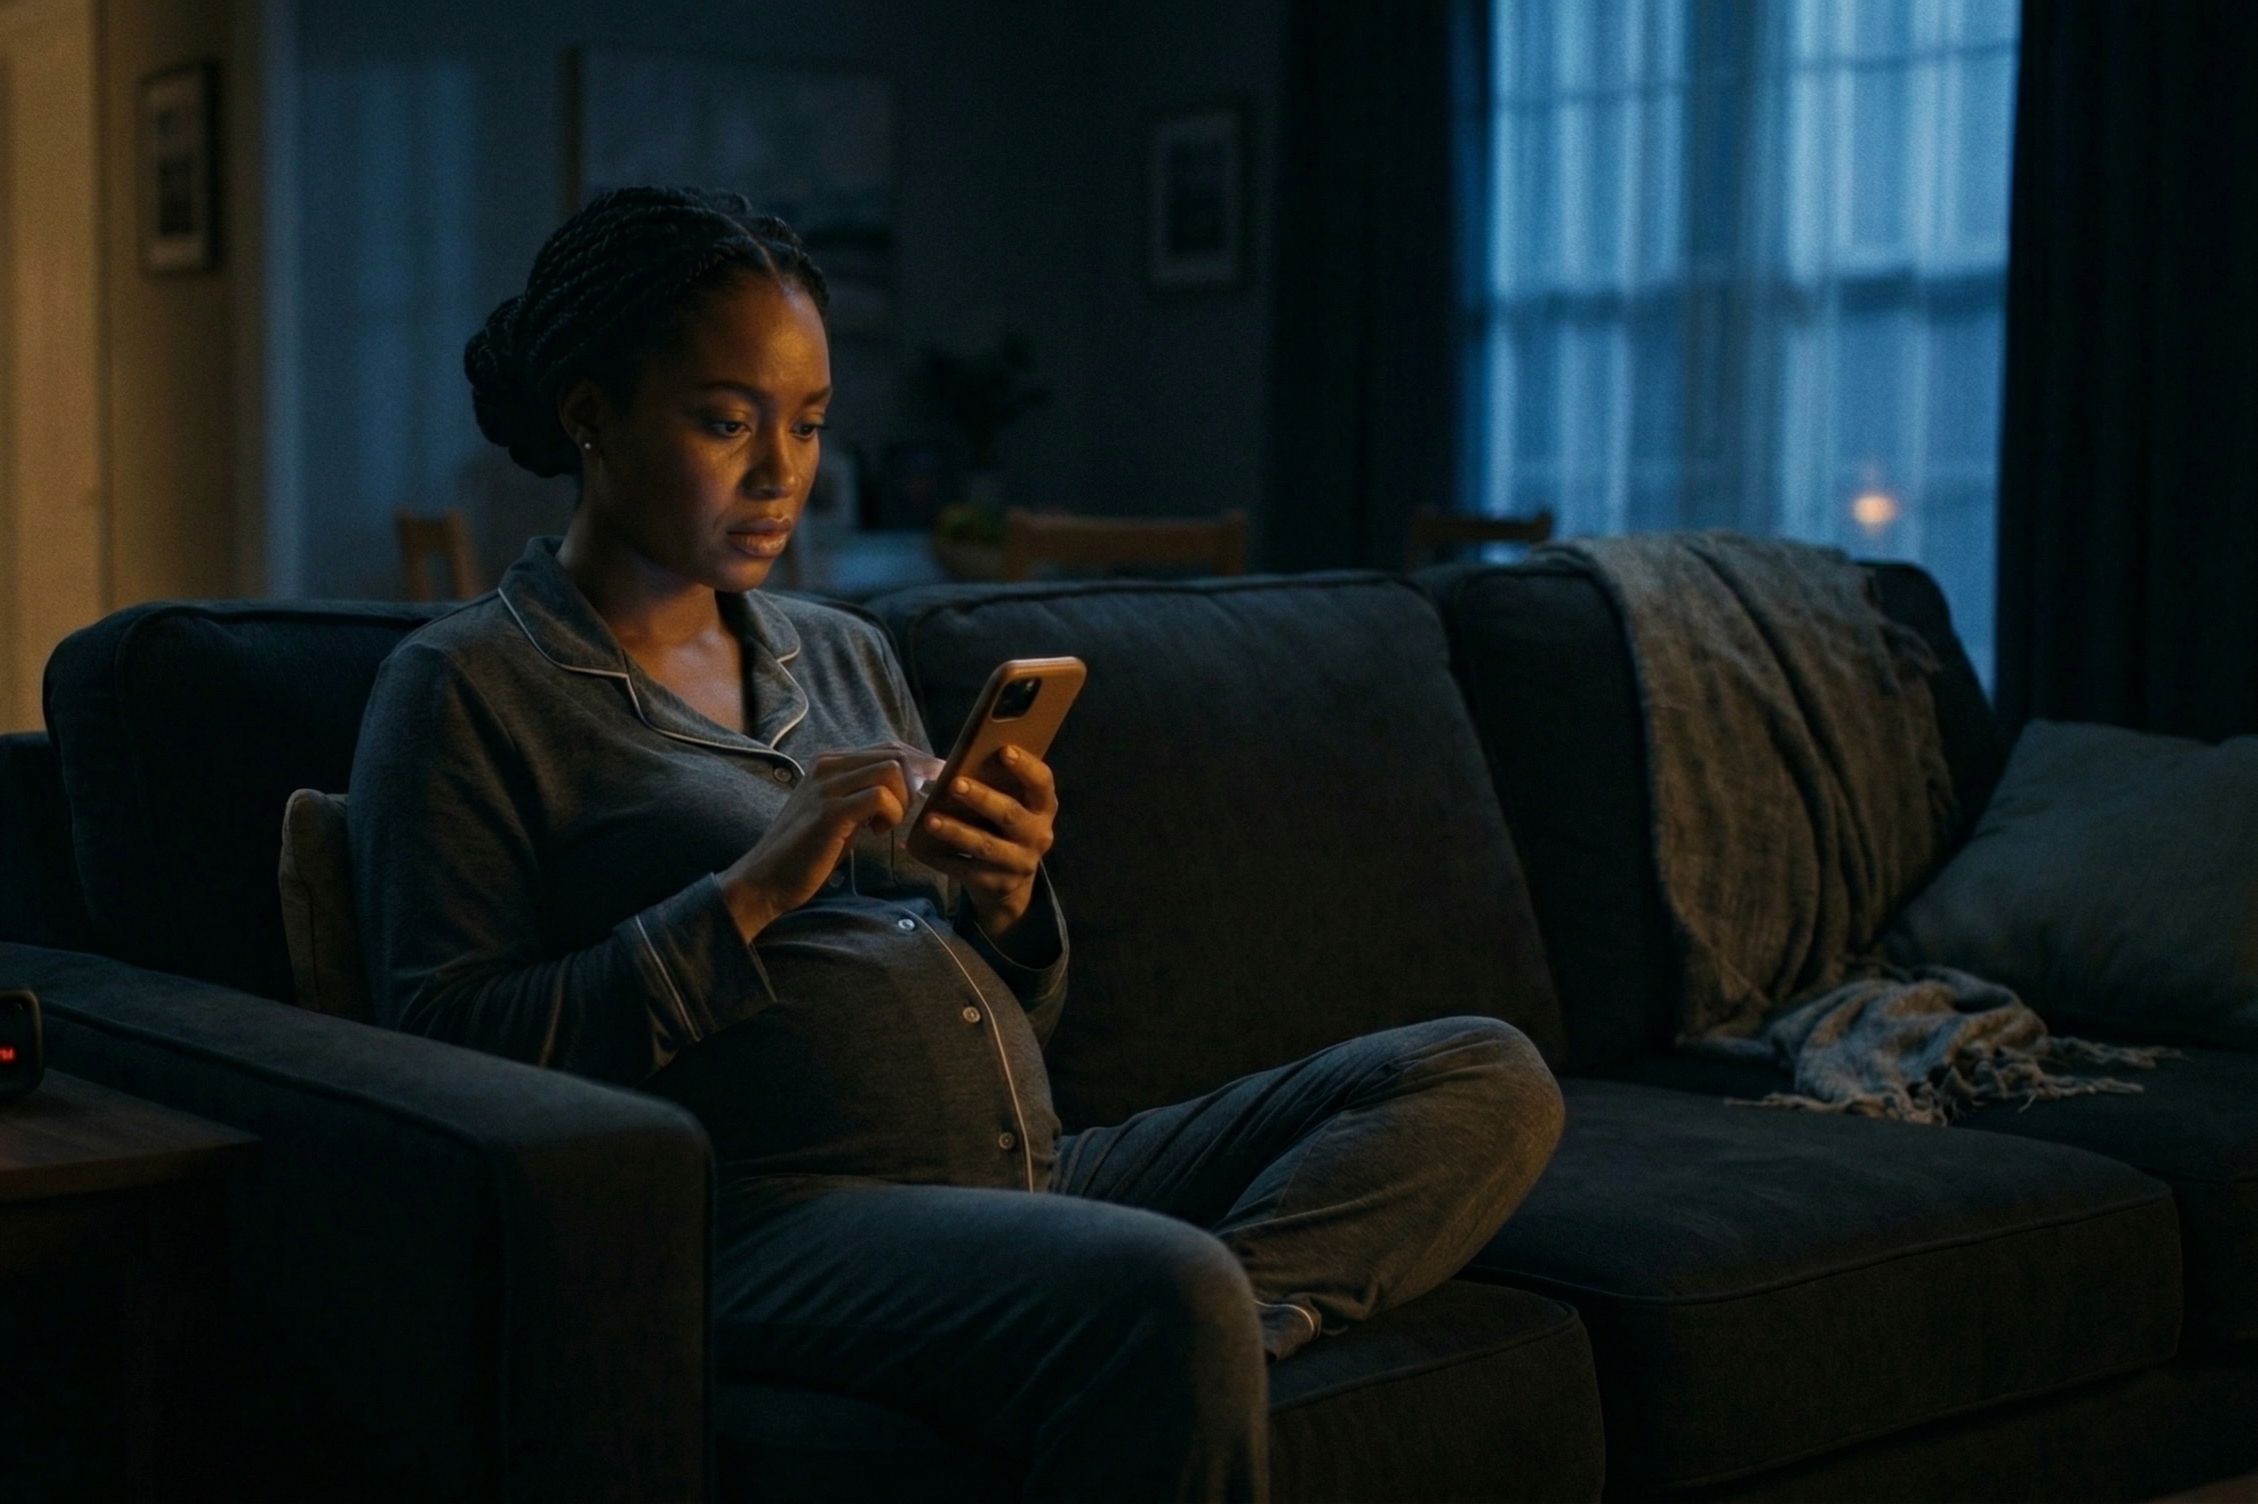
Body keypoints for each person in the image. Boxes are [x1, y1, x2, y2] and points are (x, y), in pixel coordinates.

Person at [352, 185, 1563, 1501]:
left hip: (1031, 1174)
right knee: (1163, 1291)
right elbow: (444, 1058)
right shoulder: (469, 685)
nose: (783, 474)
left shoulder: (843, 650)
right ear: (591, 413)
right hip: (761, 1216)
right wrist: (750, 894)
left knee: (1481, 1075)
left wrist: (1010, 901)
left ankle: (1213, 1341)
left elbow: (1014, 1011)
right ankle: (1165, 1336)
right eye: (728, 422)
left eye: (809, 423)